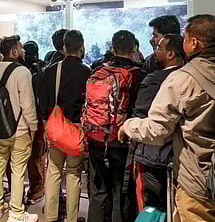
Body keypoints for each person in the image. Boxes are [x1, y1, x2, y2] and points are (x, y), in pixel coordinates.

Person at [119, 14, 215, 222]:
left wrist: (128, 126)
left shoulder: (183, 79)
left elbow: (157, 131)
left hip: (198, 181)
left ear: (194, 42)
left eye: (184, 38)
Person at [84, 30, 146, 222]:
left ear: (112, 48)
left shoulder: (97, 71)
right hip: (122, 140)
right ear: (134, 48)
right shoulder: (138, 74)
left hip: (96, 137)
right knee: (121, 190)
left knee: (98, 190)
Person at [40, 30, 91, 222]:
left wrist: (46, 125)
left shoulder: (51, 71)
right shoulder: (88, 72)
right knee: (73, 173)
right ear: (81, 46)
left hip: (55, 129)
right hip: (76, 130)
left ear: (63, 47)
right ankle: (71, 218)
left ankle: (51, 216)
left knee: (53, 171)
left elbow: (43, 103)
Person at [132, 34, 185, 212]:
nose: (155, 51)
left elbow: (141, 115)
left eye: (159, 48)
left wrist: (129, 128)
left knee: (154, 205)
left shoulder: (154, 80)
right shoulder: (190, 77)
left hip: (155, 152)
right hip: (182, 153)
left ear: (170, 54)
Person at [0, 35, 38, 222]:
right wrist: (33, 128)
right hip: (20, 130)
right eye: (21, 48)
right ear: (14, 51)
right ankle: (16, 212)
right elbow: (28, 105)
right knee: (18, 170)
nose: (23, 51)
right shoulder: (22, 72)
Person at [22, 40, 47, 204]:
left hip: (20, 119)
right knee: (37, 156)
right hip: (38, 118)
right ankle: (36, 191)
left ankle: (20, 191)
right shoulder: (42, 69)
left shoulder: (21, 69)